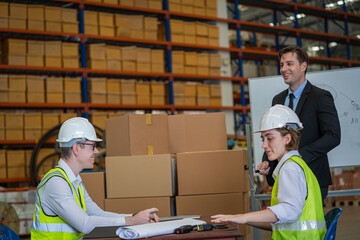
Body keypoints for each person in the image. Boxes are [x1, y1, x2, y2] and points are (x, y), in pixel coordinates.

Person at [31, 117, 160, 239]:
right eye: (92, 146)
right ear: (76, 148)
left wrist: (136, 217)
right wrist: (132, 221)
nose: (96, 152)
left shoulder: (74, 181)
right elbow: (85, 224)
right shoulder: (56, 183)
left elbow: (98, 214)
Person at [212, 105, 327, 239]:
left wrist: (243, 217)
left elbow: (289, 211)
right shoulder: (296, 164)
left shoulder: (290, 168)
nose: (264, 145)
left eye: (270, 138)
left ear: (287, 139)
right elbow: (280, 221)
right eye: (262, 139)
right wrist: (244, 219)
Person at [257, 46, 341, 202]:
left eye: (289, 64)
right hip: (284, 178)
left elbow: (333, 136)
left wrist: (298, 156)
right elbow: (274, 135)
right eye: (282, 65)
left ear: (303, 66)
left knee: (307, 225)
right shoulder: (278, 100)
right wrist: (267, 161)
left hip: (312, 176)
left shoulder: (320, 97)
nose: (284, 69)